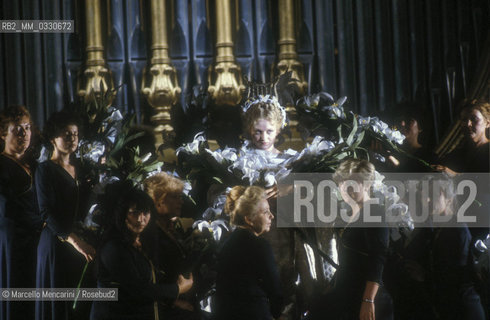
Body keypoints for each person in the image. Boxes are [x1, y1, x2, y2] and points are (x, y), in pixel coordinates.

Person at [90, 183, 193, 320]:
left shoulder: (143, 242)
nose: (140, 219)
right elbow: (139, 290)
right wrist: (177, 289)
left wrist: (171, 300)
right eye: (134, 213)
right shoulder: (113, 248)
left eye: (145, 213)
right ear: (123, 214)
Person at [308, 159, 392, 320]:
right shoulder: (353, 213)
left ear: (366, 185)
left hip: (366, 296)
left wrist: (368, 300)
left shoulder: (373, 212)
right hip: (350, 292)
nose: (346, 190)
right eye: (342, 184)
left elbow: (378, 258)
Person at [35, 110, 95, 320]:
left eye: (75, 134)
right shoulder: (44, 170)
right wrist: (76, 242)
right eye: (66, 134)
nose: (71, 139)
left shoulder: (83, 169)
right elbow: (46, 213)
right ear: (53, 138)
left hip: (79, 245)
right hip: (56, 243)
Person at [214, 186, 283, 320]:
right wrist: (276, 314)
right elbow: (275, 290)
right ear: (249, 219)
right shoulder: (260, 246)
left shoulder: (228, 243)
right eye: (265, 212)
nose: (272, 216)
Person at [421, 175, 485, 320]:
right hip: (451, 306)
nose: (428, 200)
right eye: (425, 196)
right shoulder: (440, 227)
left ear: (449, 199)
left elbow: (456, 278)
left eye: (433, 195)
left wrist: (424, 276)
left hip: (463, 309)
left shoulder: (457, 229)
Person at [0, 105, 43, 320]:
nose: (24, 134)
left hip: (36, 242)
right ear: (3, 133)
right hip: (16, 243)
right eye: (17, 129)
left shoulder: (33, 164)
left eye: (27, 128)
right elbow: (7, 209)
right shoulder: (2, 164)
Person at [143, 172, 198, 319]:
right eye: (175, 197)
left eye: (180, 197)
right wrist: (172, 301)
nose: (181, 202)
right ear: (158, 201)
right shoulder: (149, 233)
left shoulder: (168, 228)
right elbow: (145, 281)